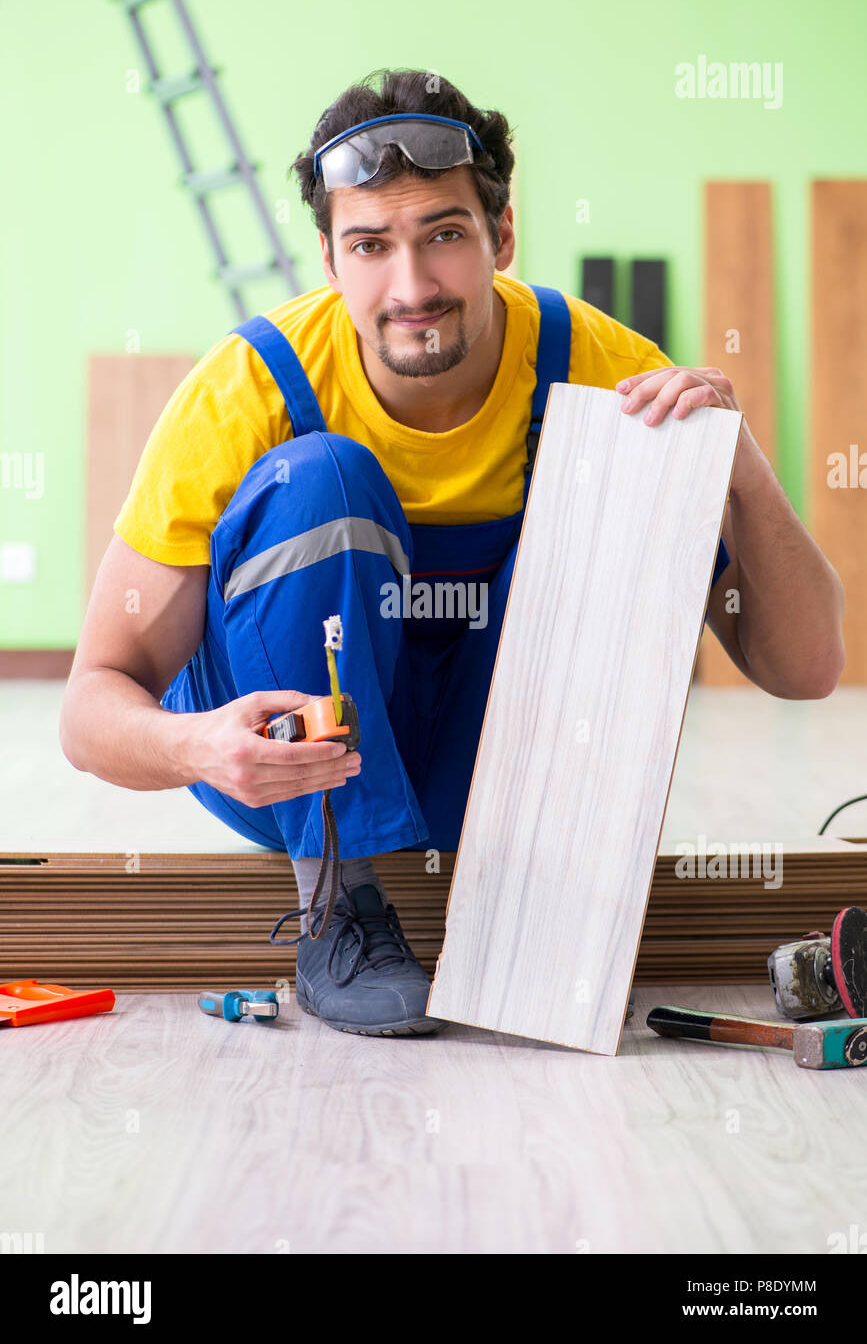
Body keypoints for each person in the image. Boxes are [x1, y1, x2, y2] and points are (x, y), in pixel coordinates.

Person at [60, 69, 845, 1039]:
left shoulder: (601, 367)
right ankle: (339, 908)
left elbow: (808, 671)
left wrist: (742, 465)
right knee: (323, 482)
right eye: (370, 246)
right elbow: (92, 704)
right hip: (297, 778)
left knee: (619, 468)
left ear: (500, 236)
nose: (413, 286)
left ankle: (541, 902)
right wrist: (198, 746)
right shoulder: (248, 388)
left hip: (481, 768)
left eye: (443, 234)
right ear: (330, 258)